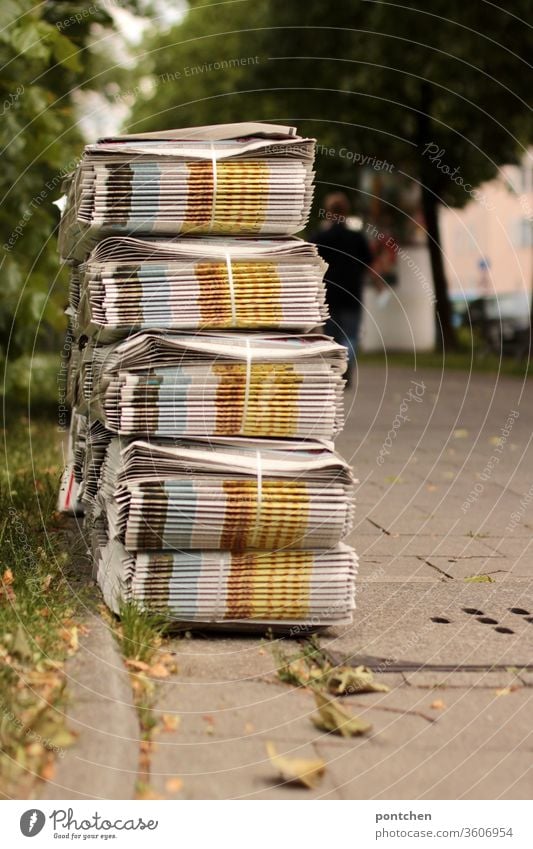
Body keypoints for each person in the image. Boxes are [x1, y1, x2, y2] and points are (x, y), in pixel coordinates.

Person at [310, 192, 380, 387]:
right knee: (351, 336)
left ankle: (336, 373)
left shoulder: (320, 238)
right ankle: (347, 362)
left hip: (328, 295)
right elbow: (369, 265)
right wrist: (379, 285)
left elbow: (310, 266)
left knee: (332, 337)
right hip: (352, 295)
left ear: (328, 212)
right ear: (346, 212)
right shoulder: (356, 238)